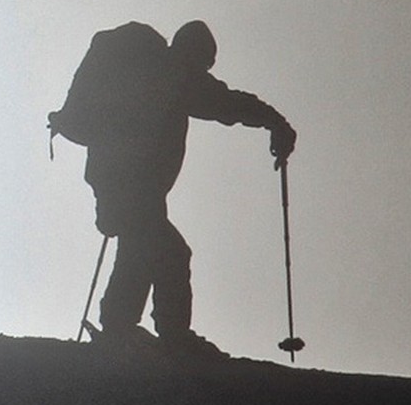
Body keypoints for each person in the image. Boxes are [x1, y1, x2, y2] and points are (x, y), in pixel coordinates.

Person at [47, 19, 294, 354]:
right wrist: (274, 122)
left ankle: (119, 327)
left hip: (118, 180)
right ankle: (169, 336)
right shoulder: (174, 76)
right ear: (195, 54)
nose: (203, 73)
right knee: (169, 253)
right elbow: (228, 103)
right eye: (204, 64)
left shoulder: (151, 71)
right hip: (131, 184)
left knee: (140, 247)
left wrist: (273, 121)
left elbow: (224, 102)